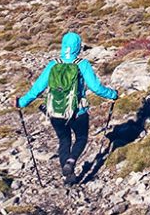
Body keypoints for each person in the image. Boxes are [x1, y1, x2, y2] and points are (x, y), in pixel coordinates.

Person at [16, 31, 118, 183]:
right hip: (78, 112)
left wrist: (22, 102)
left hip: (55, 112)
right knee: (81, 138)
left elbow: (37, 89)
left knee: (64, 140)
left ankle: (68, 176)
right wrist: (113, 94)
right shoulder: (82, 64)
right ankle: (71, 161)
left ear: (63, 46)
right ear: (78, 47)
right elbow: (96, 88)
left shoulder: (53, 64)